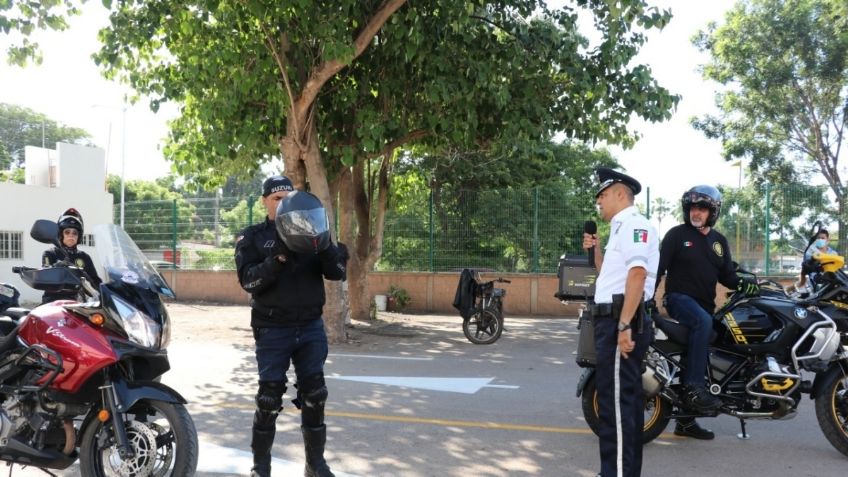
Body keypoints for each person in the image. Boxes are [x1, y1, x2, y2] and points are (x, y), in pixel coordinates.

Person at [235, 175, 349, 477]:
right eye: (276, 199)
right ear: (265, 202)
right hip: (272, 329)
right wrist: (279, 256)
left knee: (315, 395)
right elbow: (249, 281)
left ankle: (316, 464)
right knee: (269, 398)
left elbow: (337, 272)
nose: (282, 204)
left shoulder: (312, 232)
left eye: (287, 198)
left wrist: (323, 242)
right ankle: (261, 467)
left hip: (310, 327)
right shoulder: (253, 238)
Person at [655, 185, 759, 440]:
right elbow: (657, 269)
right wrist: (646, 299)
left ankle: (686, 423)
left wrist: (743, 283)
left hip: (705, 305)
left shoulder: (719, 242)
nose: (696, 212)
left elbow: (727, 276)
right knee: (702, 322)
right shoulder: (676, 235)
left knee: (709, 348)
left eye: (702, 208)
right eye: (692, 207)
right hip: (679, 299)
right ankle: (694, 387)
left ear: (713, 212)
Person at [582, 167, 658, 477]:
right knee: (613, 407)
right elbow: (610, 277)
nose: (598, 201)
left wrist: (625, 324)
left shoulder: (635, 225)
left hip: (619, 321)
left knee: (619, 407)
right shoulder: (618, 229)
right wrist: (596, 251)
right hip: (611, 321)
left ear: (620, 193)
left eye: (602, 194)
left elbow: (637, 274)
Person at [41, 208, 102, 303]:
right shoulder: (50, 253)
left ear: (79, 236)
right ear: (61, 234)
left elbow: (95, 281)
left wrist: (108, 290)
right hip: (52, 301)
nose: (71, 235)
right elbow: (45, 274)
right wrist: (56, 267)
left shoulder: (84, 257)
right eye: (67, 232)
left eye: (75, 233)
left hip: (77, 303)